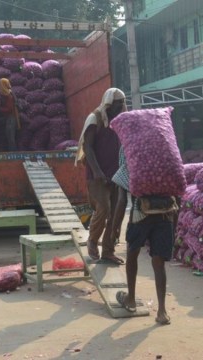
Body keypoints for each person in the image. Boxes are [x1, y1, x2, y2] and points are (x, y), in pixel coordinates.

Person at [112, 148, 177, 324]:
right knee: (158, 263)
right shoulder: (161, 157)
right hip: (164, 213)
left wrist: (114, 228)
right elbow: (176, 191)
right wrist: (175, 225)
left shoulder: (128, 152)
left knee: (132, 254)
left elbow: (122, 200)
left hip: (139, 214)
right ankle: (162, 311)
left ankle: (131, 299)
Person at [76, 88, 127, 265]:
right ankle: (92, 239)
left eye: (122, 103)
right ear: (109, 103)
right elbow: (88, 146)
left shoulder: (119, 120)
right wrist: (97, 171)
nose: (120, 106)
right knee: (103, 208)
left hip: (115, 174)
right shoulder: (95, 118)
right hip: (97, 174)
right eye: (117, 103)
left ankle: (108, 251)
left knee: (115, 214)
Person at [0, 78, 20, 151]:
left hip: (11, 117)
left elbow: (9, 109)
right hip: (9, 117)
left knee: (10, 136)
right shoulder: (5, 94)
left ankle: (13, 154)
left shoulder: (8, 95)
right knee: (8, 136)